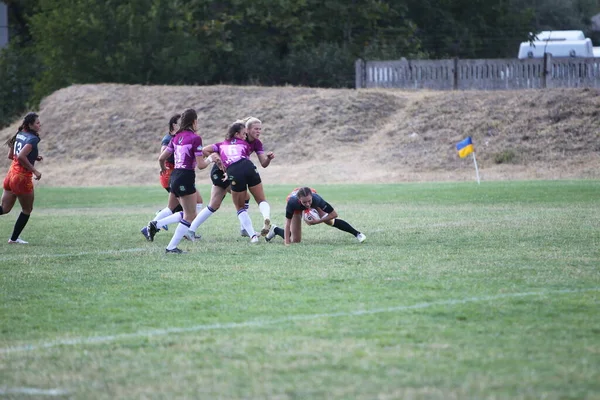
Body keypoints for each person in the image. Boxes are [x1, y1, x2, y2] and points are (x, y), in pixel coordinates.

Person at [186, 116, 274, 240]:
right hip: (221, 172)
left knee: (243, 198)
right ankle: (190, 230)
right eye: (256, 129)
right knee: (215, 204)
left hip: (235, 171)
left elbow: (263, 163)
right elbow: (208, 150)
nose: (259, 132)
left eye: (260, 129)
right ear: (246, 130)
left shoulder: (256, 143)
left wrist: (269, 158)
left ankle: (244, 229)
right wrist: (218, 161)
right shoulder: (235, 139)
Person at [146, 108, 220, 253]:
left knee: (183, 210)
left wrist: (163, 169)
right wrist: (211, 158)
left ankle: (157, 224)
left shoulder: (175, 137)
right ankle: (171, 247)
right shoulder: (195, 138)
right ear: (194, 121)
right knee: (190, 214)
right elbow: (201, 165)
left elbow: (161, 157)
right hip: (186, 176)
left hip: (174, 176)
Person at [140, 114, 203, 241]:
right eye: (180, 122)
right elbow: (164, 154)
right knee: (187, 210)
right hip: (176, 175)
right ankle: (161, 226)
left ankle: (154, 226)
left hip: (176, 174)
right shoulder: (171, 138)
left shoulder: (180, 137)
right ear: (174, 125)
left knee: (186, 205)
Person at [265, 186, 366, 245]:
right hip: (297, 208)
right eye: (305, 202)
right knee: (295, 241)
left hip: (314, 203)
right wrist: (287, 243)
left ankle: (357, 234)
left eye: (309, 201)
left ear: (312, 197)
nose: (308, 204)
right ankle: (275, 229)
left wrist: (316, 222)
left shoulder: (316, 199)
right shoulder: (292, 203)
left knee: (329, 221)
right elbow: (288, 223)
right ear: (300, 200)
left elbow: (334, 214)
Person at [1, 112, 43, 244]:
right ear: (30, 125)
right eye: (37, 123)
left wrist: (33, 157)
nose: (39, 124)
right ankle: (13, 239)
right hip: (21, 178)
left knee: (4, 209)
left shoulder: (19, 134)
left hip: (10, 175)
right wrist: (35, 171)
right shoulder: (33, 139)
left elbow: (11, 155)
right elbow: (20, 157)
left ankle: (14, 239)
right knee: (27, 209)